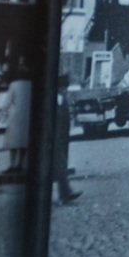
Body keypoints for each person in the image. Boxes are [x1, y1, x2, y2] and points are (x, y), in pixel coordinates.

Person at [0, 57, 32, 174]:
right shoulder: (30, 85)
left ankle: (13, 164)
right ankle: (20, 164)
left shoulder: (14, 85)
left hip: (16, 116)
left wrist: (3, 114)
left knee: (13, 142)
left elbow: (8, 101)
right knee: (23, 141)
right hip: (27, 115)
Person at [54, 75, 81, 204]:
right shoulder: (56, 99)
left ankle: (64, 194)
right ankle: (66, 193)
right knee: (60, 165)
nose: (65, 90)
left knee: (61, 166)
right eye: (63, 88)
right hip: (54, 138)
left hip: (62, 137)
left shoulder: (63, 99)